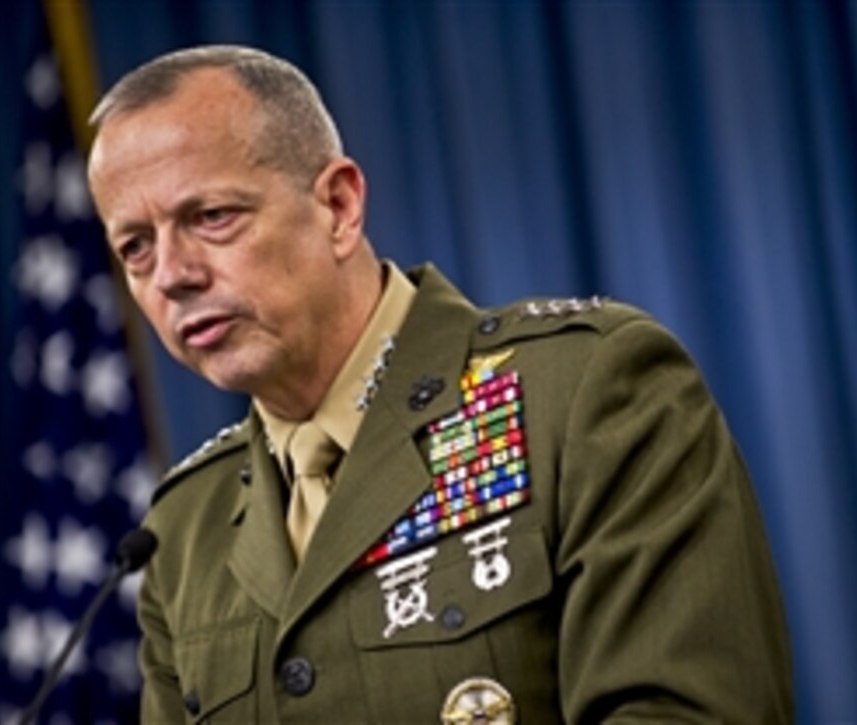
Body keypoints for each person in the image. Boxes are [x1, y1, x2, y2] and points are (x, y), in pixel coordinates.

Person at [87, 45, 793, 723]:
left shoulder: (585, 390)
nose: (172, 274)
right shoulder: (182, 528)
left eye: (210, 217)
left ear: (337, 206)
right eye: (135, 248)